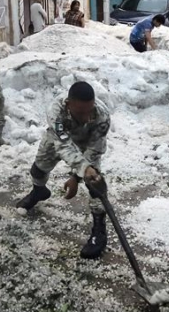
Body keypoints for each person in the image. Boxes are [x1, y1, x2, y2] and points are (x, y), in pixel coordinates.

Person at [15, 82, 111, 259]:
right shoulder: (56, 111)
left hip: (87, 141)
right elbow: (64, 145)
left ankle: (100, 230)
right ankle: (39, 191)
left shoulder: (101, 116)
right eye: (81, 113)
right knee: (38, 170)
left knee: (95, 183)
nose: (87, 117)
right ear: (68, 104)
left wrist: (79, 176)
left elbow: (94, 149)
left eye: (89, 111)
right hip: (59, 139)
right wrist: (80, 170)